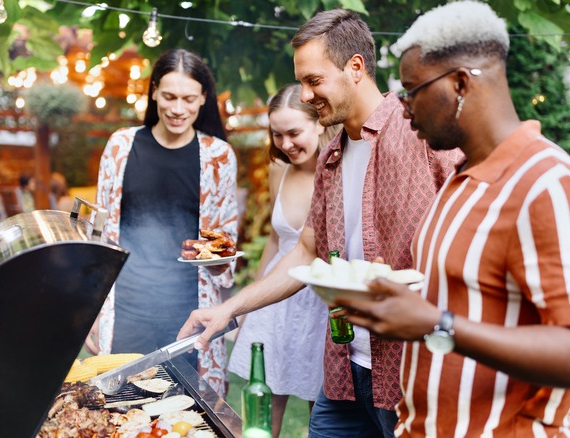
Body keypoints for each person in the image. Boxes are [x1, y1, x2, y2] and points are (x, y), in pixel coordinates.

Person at [335, 2, 570, 436]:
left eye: (412, 90)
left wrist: (437, 325)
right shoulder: (458, 179)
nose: (403, 108)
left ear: (461, 83)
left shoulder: (550, 187)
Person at [178, 10, 461, 437]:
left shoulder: (419, 133)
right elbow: (307, 250)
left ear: (355, 67)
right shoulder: (330, 160)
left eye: (314, 81)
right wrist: (228, 309)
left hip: (409, 372)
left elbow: (473, 231)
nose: (306, 95)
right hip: (344, 369)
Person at [88, 48, 238, 396]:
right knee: (122, 413)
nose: (177, 108)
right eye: (169, 96)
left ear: (203, 99)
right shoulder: (121, 146)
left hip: (190, 314)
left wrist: (221, 262)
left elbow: (225, 239)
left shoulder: (218, 156)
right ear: (153, 91)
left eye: (188, 99)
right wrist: (91, 312)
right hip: (127, 308)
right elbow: (99, 235)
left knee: (188, 418)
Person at [227, 83, 340, 437]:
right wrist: (250, 304)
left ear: (319, 122)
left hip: (320, 306)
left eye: (294, 133)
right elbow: (277, 241)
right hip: (277, 301)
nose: (285, 144)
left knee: (321, 415)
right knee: (262, 415)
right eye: (277, 135)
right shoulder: (281, 170)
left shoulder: (340, 168)